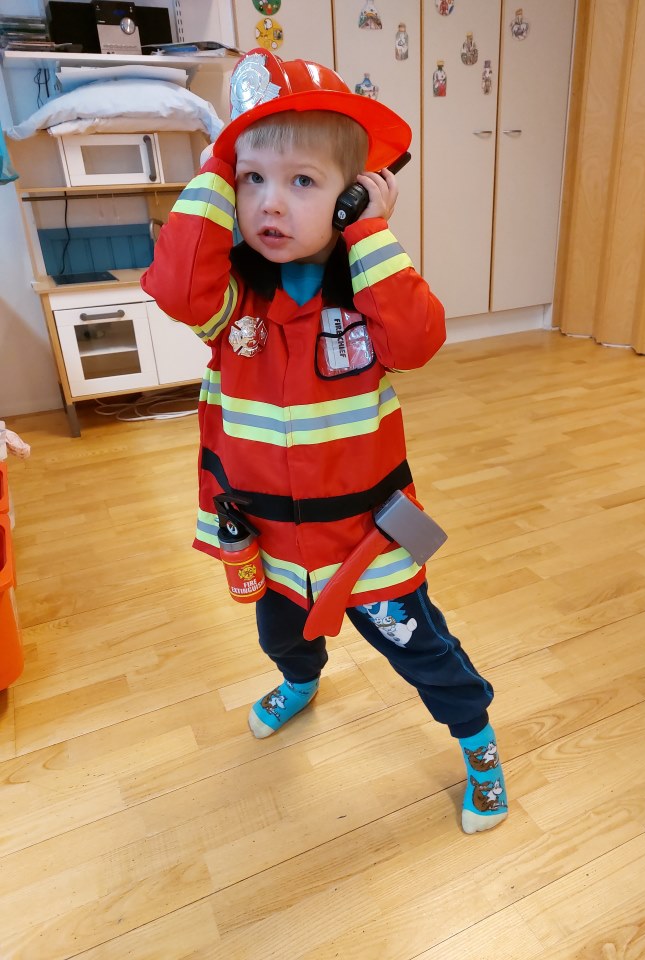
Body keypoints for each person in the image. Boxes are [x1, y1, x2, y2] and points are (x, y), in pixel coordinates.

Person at [141, 48, 508, 834]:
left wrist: (370, 234)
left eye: (302, 182)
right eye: (252, 179)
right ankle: (301, 681)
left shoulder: (369, 293)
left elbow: (417, 341)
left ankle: (478, 743)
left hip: (365, 538)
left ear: (350, 199)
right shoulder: (234, 303)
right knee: (281, 634)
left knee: (420, 647)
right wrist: (218, 164)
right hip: (268, 537)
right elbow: (174, 285)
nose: (270, 203)